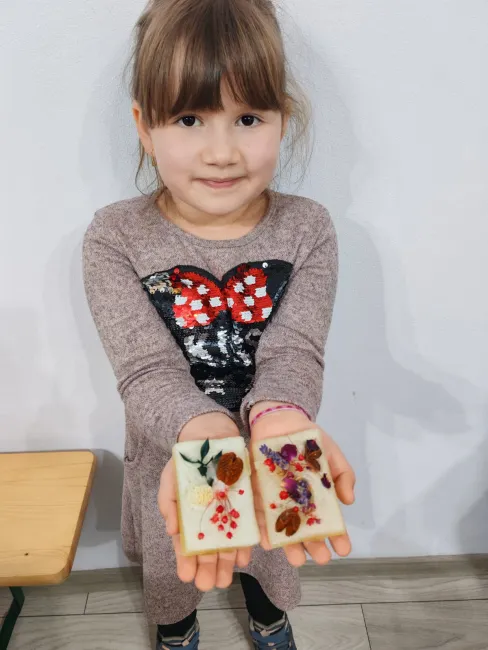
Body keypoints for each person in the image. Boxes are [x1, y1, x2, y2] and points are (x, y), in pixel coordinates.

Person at [82, 0, 356, 648]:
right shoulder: (114, 236)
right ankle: (177, 634)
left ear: (283, 118)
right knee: (177, 571)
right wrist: (204, 431)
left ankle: (268, 620)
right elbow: (146, 369)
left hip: (274, 454)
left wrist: (278, 416)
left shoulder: (308, 227)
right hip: (173, 453)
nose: (222, 151)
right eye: (189, 119)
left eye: (249, 118)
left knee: (269, 559)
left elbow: (295, 349)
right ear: (145, 127)